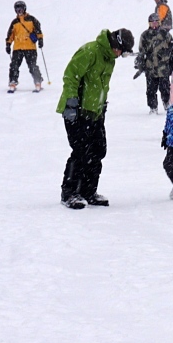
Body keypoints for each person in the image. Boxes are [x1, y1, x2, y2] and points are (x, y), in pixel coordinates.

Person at [56, 28, 134, 209]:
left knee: (98, 150)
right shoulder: (90, 51)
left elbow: (100, 85)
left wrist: (101, 106)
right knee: (80, 151)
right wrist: (71, 103)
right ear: (116, 44)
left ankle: (88, 191)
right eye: (121, 51)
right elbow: (70, 76)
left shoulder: (109, 59)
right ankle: (69, 193)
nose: (120, 55)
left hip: (95, 112)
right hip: (76, 110)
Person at [136, 12, 173, 113]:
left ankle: (166, 104)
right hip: (150, 68)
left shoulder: (165, 34)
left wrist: (169, 60)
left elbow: (171, 49)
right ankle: (153, 108)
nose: (154, 24)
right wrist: (140, 62)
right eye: (152, 22)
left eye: (156, 21)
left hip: (163, 68)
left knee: (165, 88)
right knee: (151, 90)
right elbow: (141, 51)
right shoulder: (145, 35)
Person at [5, 0, 44, 93]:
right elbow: (10, 34)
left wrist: (40, 39)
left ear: (24, 9)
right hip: (17, 48)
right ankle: (13, 82)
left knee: (32, 65)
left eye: (21, 9)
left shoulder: (31, 19)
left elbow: (38, 30)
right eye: (17, 9)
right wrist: (8, 44)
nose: (19, 11)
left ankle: (38, 81)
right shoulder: (14, 22)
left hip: (30, 47)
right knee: (14, 65)